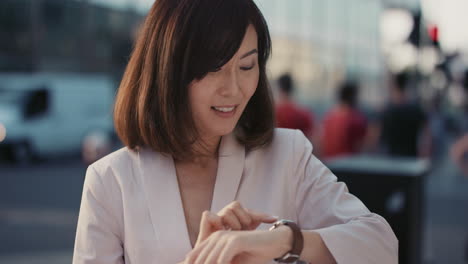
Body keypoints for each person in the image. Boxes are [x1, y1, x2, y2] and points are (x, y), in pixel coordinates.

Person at [73, 1, 398, 263]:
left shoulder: (288, 154)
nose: (233, 89)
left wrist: (284, 240)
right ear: (169, 70)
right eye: (213, 68)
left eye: (246, 66)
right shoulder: (109, 181)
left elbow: (381, 246)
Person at [380, 72, 431, 157]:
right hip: (411, 158)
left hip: (390, 159)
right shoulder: (416, 109)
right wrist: (425, 153)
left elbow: (376, 136)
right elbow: (427, 135)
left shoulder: (387, 110)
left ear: (393, 86)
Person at [321, 81, 368, 159]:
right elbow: (363, 146)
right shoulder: (356, 119)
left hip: (329, 164)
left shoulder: (329, 117)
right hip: (348, 166)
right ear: (354, 97)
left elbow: (321, 143)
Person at [275, 73, 314, 139]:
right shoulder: (302, 113)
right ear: (292, 87)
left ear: (279, 88)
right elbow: (311, 138)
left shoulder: (272, 113)